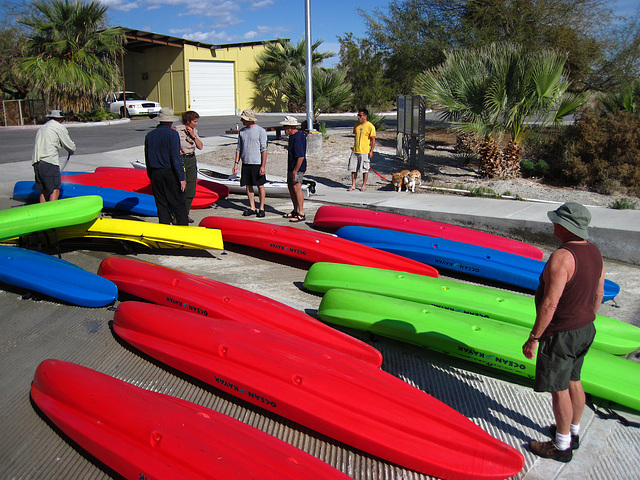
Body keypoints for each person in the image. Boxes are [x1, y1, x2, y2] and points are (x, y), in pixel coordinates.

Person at [523, 202, 605, 463]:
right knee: (573, 380)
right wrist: (586, 318)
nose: (553, 225)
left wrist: (534, 338)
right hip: (585, 328)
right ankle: (574, 432)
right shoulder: (594, 252)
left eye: (557, 221)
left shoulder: (562, 257)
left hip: (562, 333)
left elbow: (550, 304)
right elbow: (598, 294)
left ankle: (561, 446)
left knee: (558, 388)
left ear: (566, 226)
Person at [144, 107, 188, 226]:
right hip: (170, 172)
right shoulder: (172, 134)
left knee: (161, 204)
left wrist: (151, 175)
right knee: (178, 203)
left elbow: (147, 157)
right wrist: (181, 177)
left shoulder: (150, 135)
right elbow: (175, 157)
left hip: (155, 172)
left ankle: (164, 230)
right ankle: (184, 230)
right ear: (170, 121)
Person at [32, 110, 76, 202]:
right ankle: (52, 213)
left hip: (36, 162)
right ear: (60, 120)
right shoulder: (58, 127)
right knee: (54, 190)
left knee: (43, 190)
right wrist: (71, 149)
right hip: (49, 162)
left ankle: (43, 212)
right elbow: (69, 145)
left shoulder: (42, 127)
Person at [232, 109, 267, 217]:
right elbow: (239, 148)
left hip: (257, 163)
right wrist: (236, 163)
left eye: (244, 119)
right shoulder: (242, 131)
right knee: (248, 185)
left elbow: (264, 149)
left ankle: (261, 208)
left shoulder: (260, 131)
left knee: (260, 185)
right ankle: (252, 207)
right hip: (246, 162)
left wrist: (263, 166)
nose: (242, 120)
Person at [174, 110, 203, 223]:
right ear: (188, 121)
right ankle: (177, 214)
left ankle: (185, 213)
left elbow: (200, 146)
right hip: (181, 159)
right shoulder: (177, 130)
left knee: (191, 188)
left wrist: (193, 136)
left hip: (191, 159)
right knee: (181, 187)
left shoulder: (194, 131)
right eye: (194, 121)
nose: (196, 123)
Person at [280, 115, 307, 222]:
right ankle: (295, 210)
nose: (284, 129)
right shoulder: (292, 137)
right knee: (291, 187)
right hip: (292, 166)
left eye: (285, 127)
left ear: (290, 127)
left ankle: (301, 212)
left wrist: (295, 171)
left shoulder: (299, 137)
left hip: (298, 167)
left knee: (296, 187)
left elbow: (301, 156)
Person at [347, 108, 376, 191]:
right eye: (358, 115)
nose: (358, 117)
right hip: (355, 150)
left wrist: (371, 150)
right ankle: (353, 185)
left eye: (360, 115)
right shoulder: (356, 125)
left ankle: (364, 185)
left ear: (365, 116)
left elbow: (373, 139)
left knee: (364, 169)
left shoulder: (370, 126)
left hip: (365, 151)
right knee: (353, 168)